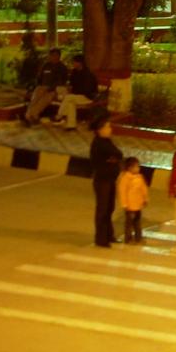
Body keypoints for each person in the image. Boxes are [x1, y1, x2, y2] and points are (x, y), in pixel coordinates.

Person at [89, 115, 123, 248]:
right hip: (102, 181)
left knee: (110, 208)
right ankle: (101, 239)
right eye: (107, 127)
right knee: (102, 209)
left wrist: (112, 160)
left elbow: (118, 154)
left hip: (110, 179)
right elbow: (115, 154)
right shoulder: (98, 144)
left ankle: (109, 235)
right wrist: (111, 159)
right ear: (99, 130)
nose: (110, 129)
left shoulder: (107, 141)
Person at [23, 47, 69, 125]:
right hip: (42, 87)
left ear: (59, 56)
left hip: (54, 89)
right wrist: (38, 86)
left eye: (55, 55)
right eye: (52, 55)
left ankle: (32, 115)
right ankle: (29, 115)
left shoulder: (62, 67)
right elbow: (39, 78)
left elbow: (62, 81)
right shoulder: (46, 65)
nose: (53, 57)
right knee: (36, 96)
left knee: (45, 98)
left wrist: (51, 88)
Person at [53, 53, 98, 130]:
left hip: (87, 97)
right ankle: (71, 125)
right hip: (76, 96)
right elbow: (71, 84)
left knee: (69, 98)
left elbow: (87, 90)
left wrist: (73, 93)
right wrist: (68, 89)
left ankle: (59, 116)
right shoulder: (74, 72)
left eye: (74, 62)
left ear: (80, 63)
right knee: (70, 102)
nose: (73, 64)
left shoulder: (88, 74)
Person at [117, 156, 148, 244]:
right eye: (136, 166)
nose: (138, 168)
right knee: (129, 224)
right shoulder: (125, 178)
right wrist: (124, 204)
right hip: (130, 206)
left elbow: (143, 189)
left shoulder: (139, 177)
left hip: (138, 205)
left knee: (137, 223)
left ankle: (138, 238)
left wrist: (145, 199)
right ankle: (128, 238)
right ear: (129, 168)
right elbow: (122, 192)